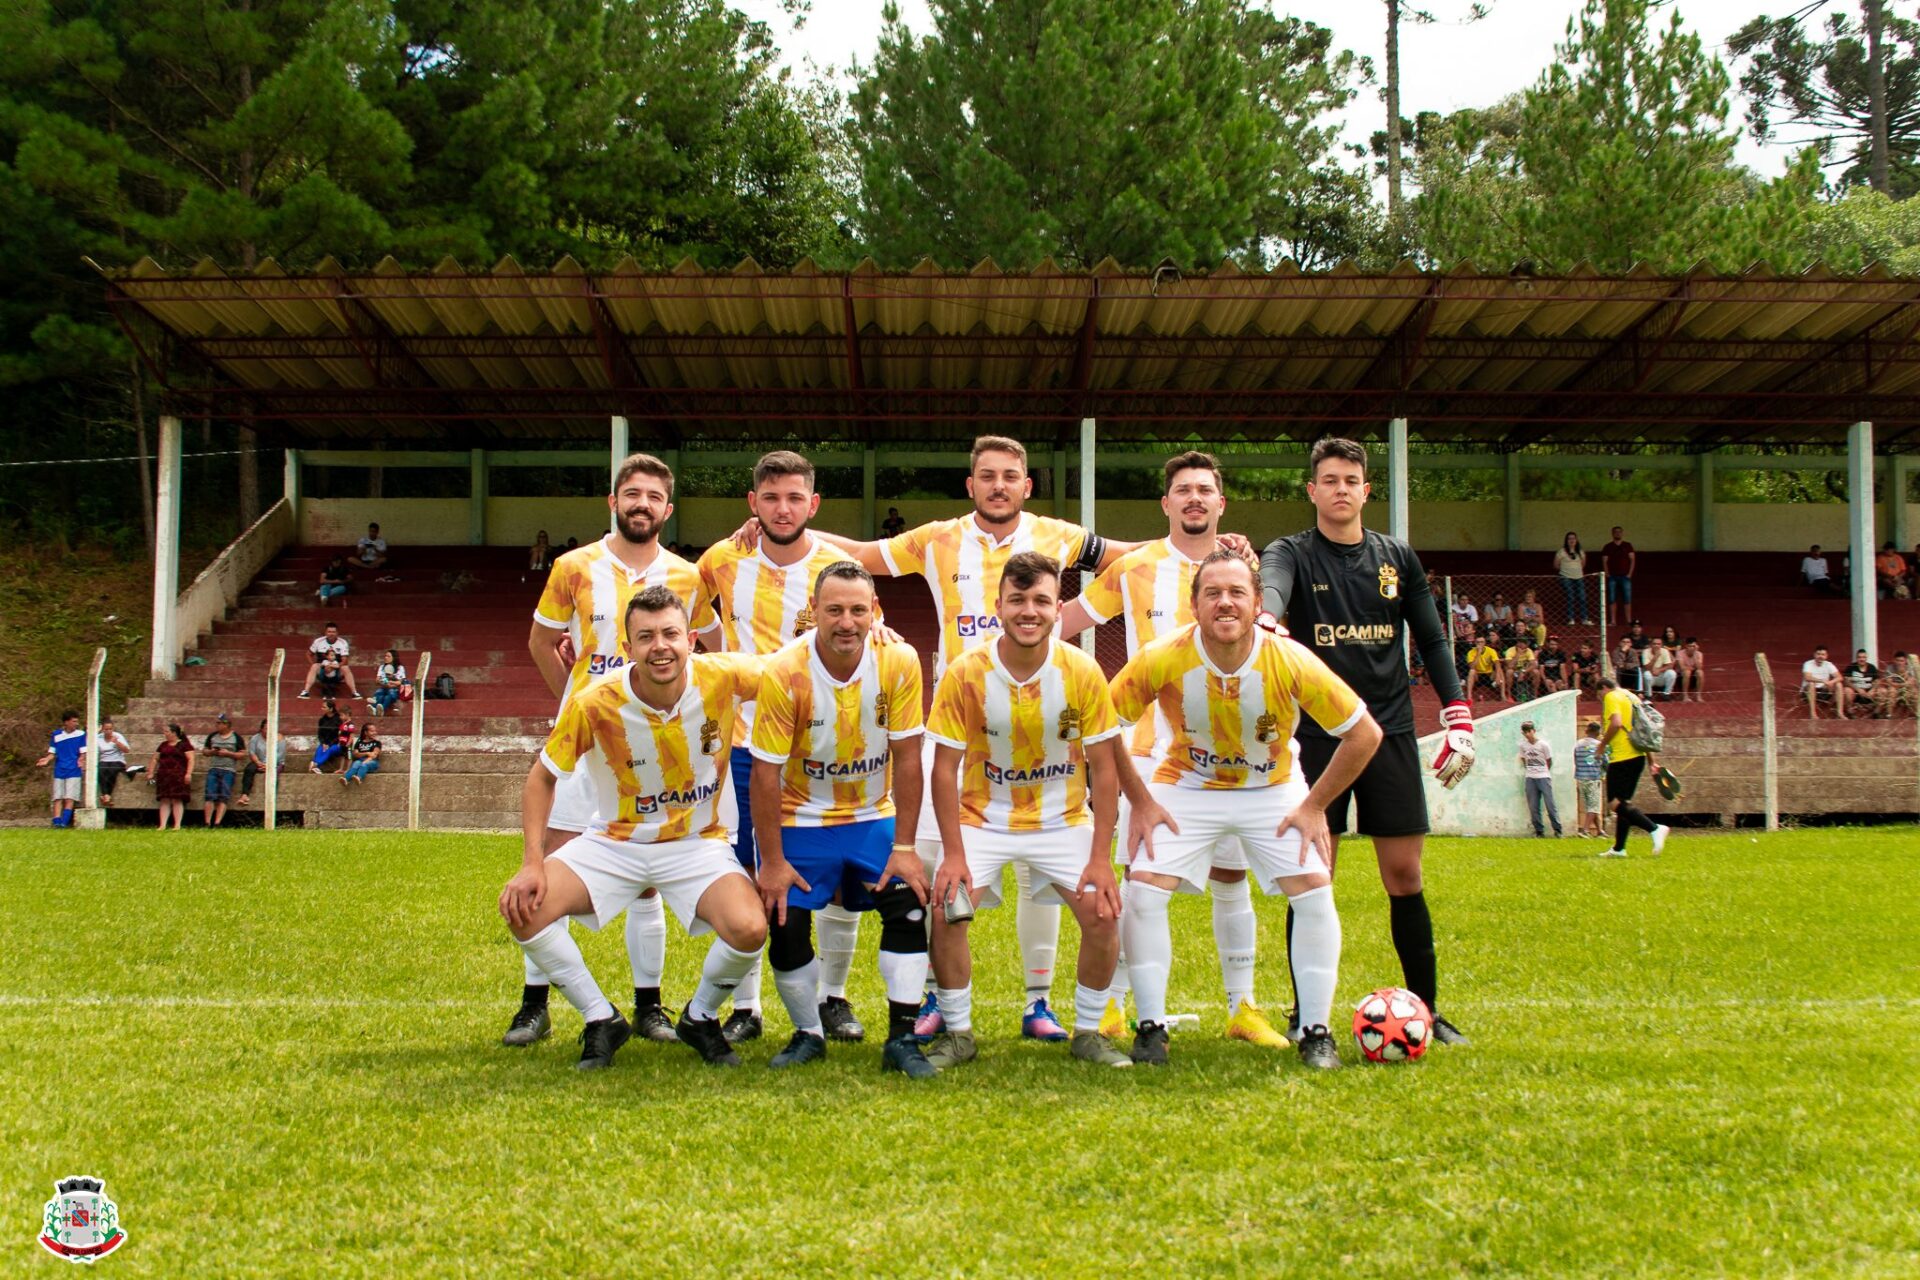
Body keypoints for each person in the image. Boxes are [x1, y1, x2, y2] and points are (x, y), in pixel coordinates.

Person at [731, 435, 1188, 1045]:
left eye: (1010, 476)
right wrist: (779, 531)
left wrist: (1213, 543)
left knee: (1046, 882)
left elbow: (1136, 555)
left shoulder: (1062, 536)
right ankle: (933, 1002)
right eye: (987, 476)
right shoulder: (938, 537)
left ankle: (1039, 1001)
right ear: (970, 485)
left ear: (1027, 486)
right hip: (957, 725)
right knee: (925, 873)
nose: (999, 485)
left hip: (1040, 731)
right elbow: (865, 553)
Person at [1054, 450, 1287, 1049]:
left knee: (1231, 876)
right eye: (1182, 490)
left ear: (1220, 502)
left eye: (1204, 490)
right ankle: (1116, 1008)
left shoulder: (1242, 568)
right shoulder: (1135, 568)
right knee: (1142, 882)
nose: (1193, 499)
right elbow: (1064, 620)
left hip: (1231, 755)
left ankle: (1243, 1007)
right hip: (1151, 753)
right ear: (1166, 503)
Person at [1113, 552, 1382, 1069]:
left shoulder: (1289, 658)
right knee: (1143, 888)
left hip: (1272, 787)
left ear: (1258, 602)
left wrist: (1314, 806)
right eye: (1212, 592)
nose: (1225, 602)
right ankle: (1150, 1028)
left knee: (1314, 889)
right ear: (1194, 606)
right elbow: (1100, 730)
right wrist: (1140, 800)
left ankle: (1316, 1031)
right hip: (1186, 785)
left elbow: (1364, 733)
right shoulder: (1162, 656)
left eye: (1237, 592)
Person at [1259, 436, 1475, 1048]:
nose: (1341, 489)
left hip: (1390, 733)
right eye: (1328, 480)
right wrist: (1269, 617)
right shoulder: (1292, 553)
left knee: (1404, 876)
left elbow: (1432, 640)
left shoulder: (1396, 559)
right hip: (1317, 737)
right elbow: (1271, 586)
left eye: (1350, 480)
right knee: (1312, 876)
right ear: (1312, 491)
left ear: (1365, 489)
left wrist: (1456, 708)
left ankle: (1427, 1012)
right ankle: (1308, 1015)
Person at [499, 585, 768, 1071]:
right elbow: (541, 778)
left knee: (751, 928)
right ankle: (601, 1019)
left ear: (691, 639)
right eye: (645, 637)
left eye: (670, 634)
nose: (659, 646)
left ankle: (701, 1017)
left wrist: (871, 633)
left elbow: (798, 668)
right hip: (615, 841)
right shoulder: (595, 702)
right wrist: (531, 863)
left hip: (695, 844)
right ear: (627, 649)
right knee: (524, 910)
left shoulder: (724, 676)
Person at [697, 450, 904, 1044]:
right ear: (752, 504)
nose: (782, 509)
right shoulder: (722, 559)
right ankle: (747, 1006)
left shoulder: (837, 565)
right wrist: (721, 659)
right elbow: (696, 619)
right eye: (771, 498)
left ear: (813, 505)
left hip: (831, 743)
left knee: (840, 876)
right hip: (746, 745)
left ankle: (833, 999)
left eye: (794, 498)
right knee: (749, 872)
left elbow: (871, 629)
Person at [511, 453, 710, 1051]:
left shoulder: (688, 576)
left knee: (646, 877)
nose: (642, 504)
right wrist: (577, 705)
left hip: (655, 747)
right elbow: (542, 641)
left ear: (667, 510)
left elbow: (712, 651)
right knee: (548, 864)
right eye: (632, 494)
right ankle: (533, 1005)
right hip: (587, 748)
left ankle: (649, 1007)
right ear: (613, 502)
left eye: (653, 496)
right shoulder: (574, 566)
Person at [921, 552, 1132, 1070]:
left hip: (1062, 820)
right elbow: (942, 768)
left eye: (1040, 600)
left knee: (1104, 913)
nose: (1029, 612)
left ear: (1057, 609)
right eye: (1018, 601)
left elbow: (1104, 769)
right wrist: (952, 854)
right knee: (947, 908)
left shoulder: (1082, 671)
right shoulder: (965, 672)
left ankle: (1088, 1032)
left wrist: (1101, 857)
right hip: (983, 819)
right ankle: (959, 1034)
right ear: (999, 606)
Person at [748, 562, 937, 1077]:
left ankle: (902, 1040)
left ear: (875, 611)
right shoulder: (784, 670)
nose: (847, 621)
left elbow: (908, 756)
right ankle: (808, 1032)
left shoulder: (898, 660)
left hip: (871, 813)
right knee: (783, 913)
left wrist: (904, 846)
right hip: (801, 815)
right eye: (834, 610)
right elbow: (764, 775)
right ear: (814, 614)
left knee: (909, 901)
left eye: (858, 609)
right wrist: (773, 860)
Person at [1598, 674, 1670, 857]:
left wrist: (1601, 745)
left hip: (1622, 757)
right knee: (1625, 804)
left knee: (1614, 804)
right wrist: (1652, 761)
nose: (1601, 700)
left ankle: (1654, 829)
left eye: (1599, 696)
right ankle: (1619, 849)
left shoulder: (1611, 696)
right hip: (1638, 757)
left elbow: (1616, 724)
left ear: (1603, 688)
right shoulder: (1632, 696)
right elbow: (1643, 731)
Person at [36, 710, 86, 827]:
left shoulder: (81, 734)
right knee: (57, 797)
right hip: (60, 769)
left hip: (73, 769)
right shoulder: (56, 735)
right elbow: (52, 752)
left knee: (70, 797)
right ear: (66, 722)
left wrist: (81, 759)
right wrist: (46, 759)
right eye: (74, 721)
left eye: (77, 721)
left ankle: (64, 822)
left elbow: (83, 752)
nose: (76, 724)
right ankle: (56, 822)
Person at [1517, 720, 1562, 838]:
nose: (1527, 734)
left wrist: (1544, 770)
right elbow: (1523, 759)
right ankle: (1539, 831)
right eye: (1525, 732)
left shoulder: (1543, 745)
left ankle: (1557, 830)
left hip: (1543, 776)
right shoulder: (1523, 746)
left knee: (1550, 804)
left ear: (1534, 731)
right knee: (1533, 806)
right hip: (1530, 777)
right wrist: (1530, 769)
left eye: (1529, 731)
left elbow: (1549, 760)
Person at [147, 723, 194, 830]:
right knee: (164, 799)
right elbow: (155, 759)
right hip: (164, 775)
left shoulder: (185, 745)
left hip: (178, 775)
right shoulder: (163, 745)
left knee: (177, 799)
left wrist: (188, 773)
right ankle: (162, 825)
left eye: (167, 731)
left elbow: (191, 759)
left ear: (174, 733)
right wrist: (151, 772)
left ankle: (177, 824)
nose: (165, 734)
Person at [201, 713, 244, 826]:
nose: (217, 725)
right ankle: (207, 822)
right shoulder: (213, 736)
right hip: (214, 768)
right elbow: (204, 751)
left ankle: (217, 822)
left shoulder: (236, 737)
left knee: (223, 796)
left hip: (228, 770)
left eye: (219, 723)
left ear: (226, 724)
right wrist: (212, 752)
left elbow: (242, 754)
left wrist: (228, 753)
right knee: (209, 795)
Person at [299, 623, 359, 699]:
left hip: (336, 669)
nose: (331, 634)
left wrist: (335, 666)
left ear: (337, 633)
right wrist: (315, 664)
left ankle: (354, 693)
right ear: (325, 633)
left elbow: (344, 660)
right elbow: (308, 654)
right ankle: (305, 692)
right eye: (329, 632)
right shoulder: (318, 641)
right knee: (314, 666)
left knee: (346, 668)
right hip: (322, 669)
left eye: (333, 632)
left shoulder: (343, 643)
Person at [1573, 719, 1607, 838]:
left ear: (1587, 730)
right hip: (1594, 777)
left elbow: (1575, 759)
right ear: (1598, 732)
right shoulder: (1599, 745)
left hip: (1581, 778)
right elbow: (1605, 762)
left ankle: (1600, 831)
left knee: (1590, 805)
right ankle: (1585, 830)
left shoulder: (1578, 744)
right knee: (1593, 806)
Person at [238, 719, 284, 806]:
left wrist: (268, 765)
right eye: (266, 728)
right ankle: (244, 795)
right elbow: (252, 752)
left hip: (275, 763)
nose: (268, 731)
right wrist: (258, 762)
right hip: (259, 761)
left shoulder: (279, 738)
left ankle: (273, 798)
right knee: (249, 769)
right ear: (262, 729)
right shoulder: (255, 738)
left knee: (274, 773)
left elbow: (280, 755)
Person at [94, 716, 133, 806]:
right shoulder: (98, 738)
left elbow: (126, 750)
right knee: (101, 771)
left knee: (112, 770)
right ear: (102, 729)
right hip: (104, 760)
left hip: (117, 760)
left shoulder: (118, 736)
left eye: (110, 729)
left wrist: (117, 743)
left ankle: (105, 796)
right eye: (106, 729)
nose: (108, 731)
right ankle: (106, 796)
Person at [1602, 525, 1636, 625]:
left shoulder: (1627, 545)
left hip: (1625, 576)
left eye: (1619, 532)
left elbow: (1632, 560)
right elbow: (1604, 561)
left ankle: (1629, 620)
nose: (1617, 533)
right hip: (1612, 576)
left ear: (1622, 533)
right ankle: (1613, 621)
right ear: (1612, 534)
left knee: (1627, 598)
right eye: (1615, 532)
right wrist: (1607, 573)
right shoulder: (1608, 547)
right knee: (1612, 598)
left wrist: (1630, 573)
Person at [1554, 532, 1590, 624]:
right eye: (1569, 538)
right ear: (1566, 540)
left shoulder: (1580, 551)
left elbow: (1583, 564)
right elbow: (1556, 565)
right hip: (1566, 576)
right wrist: (1566, 570)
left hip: (1579, 577)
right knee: (1570, 595)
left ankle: (1584, 619)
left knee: (1582, 597)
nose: (1572, 540)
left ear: (1576, 540)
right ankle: (1570, 619)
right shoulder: (1561, 551)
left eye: (1573, 538)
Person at [1801, 645, 1842, 719]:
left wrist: (1831, 682)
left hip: (1823, 690)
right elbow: (1807, 677)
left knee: (1838, 684)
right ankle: (1813, 714)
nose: (1820, 656)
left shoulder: (1829, 664)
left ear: (1826, 656)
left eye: (1823, 654)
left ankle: (1840, 713)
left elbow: (1840, 677)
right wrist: (1822, 680)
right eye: (1818, 654)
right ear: (1814, 655)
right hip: (1808, 691)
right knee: (1811, 683)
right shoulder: (1808, 664)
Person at [1842, 649, 1881, 719]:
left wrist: (1873, 690)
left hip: (1869, 694)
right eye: (1859, 657)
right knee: (1847, 690)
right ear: (1856, 658)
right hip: (1856, 693)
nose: (1862, 659)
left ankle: (1876, 712)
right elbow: (1845, 681)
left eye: (1863, 657)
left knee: (1882, 691)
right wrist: (1858, 689)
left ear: (1866, 658)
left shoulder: (1872, 667)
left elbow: (1877, 680)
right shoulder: (1851, 667)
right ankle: (1850, 712)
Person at [369, 650, 410, 716]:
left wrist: (391, 682)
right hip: (384, 687)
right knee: (379, 694)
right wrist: (384, 683)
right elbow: (377, 680)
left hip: (394, 689)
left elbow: (400, 682)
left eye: (388, 656)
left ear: (393, 658)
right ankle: (374, 709)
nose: (386, 658)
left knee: (389, 694)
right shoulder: (382, 667)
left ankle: (381, 709)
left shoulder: (400, 668)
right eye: (385, 656)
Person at [310, 699, 347, 772]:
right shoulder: (322, 720)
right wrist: (323, 743)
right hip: (325, 743)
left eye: (324, 707)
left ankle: (315, 764)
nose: (322, 709)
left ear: (331, 709)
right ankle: (315, 767)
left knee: (330, 749)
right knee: (319, 749)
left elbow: (340, 734)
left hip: (336, 744)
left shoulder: (339, 719)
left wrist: (330, 744)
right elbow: (320, 734)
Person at [1466, 633, 1504, 703]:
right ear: (1475, 643)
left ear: (1485, 643)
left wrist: (1498, 676)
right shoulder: (1471, 652)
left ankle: (1503, 696)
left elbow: (1497, 663)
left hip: (1489, 674)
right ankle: (1469, 697)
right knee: (1472, 671)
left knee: (1500, 670)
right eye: (1478, 642)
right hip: (1477, 675)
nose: (1480, 644)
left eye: (1481, 642)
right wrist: (1478, 653)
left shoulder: (1491, 651)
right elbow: (1472, 666)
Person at [1505, 636, 1539, 702]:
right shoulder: (1510, 650)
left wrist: (1523, 671)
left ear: (1527, 644)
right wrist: (1518, 654)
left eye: (1523, 643)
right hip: (1514, 671)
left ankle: (1535, 695)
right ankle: (1509, 695)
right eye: (1519, 642)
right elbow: (1510, 665)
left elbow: (1533, 665)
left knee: (1536, 672)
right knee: (1509, 672)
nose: (1521, 644)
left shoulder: (1529, 651)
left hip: (1524, 671)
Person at [1675, 637, 1706, 702]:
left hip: (1693, 676)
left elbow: (1699, 667)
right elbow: (1682, 667)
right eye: (1690, 646)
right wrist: (1692, 668)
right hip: (1681, 677)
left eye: (1693, 646)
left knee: (1700, 673)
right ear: (1686, 646)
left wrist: (1695, 654)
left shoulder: (1699, 654)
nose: (1692, 648)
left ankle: (1698, 695)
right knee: (1687, 672)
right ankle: (1685, 695)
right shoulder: (1680, 653)